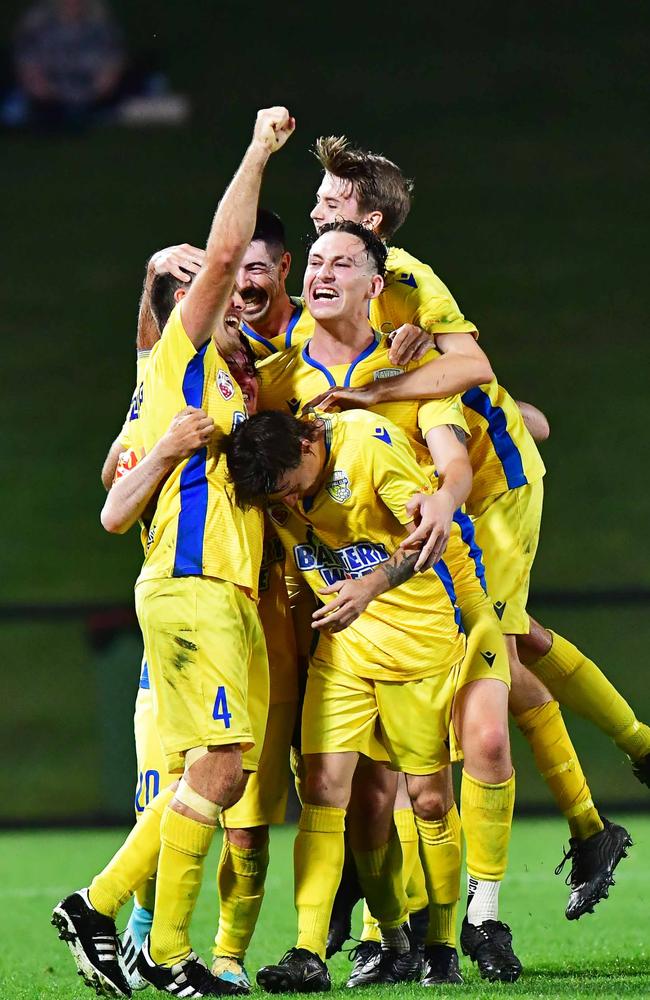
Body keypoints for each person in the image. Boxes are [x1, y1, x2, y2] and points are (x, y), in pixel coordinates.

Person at [301, 135, 639, 920]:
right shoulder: (347, 290)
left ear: (373, 224)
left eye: (332, 204)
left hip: (488, 489)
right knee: (510, 643)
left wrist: (386, 392)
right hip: (459, 474)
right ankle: (598, 810)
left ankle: (468, 898)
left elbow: (471, 366)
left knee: (481, 649)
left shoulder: (404, 276)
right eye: (317, 203)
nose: (317, 214)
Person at [52, 106, 295, 1000]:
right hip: (190, 587)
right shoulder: (177, 365)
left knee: (219, 776)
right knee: (220, 771)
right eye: (203, 288)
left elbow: (278, 316)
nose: (226, 292)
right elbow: (223, 259)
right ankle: (145, 934)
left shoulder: (230, 375)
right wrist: (258, 148)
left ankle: (137, 932)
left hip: (231, 592)